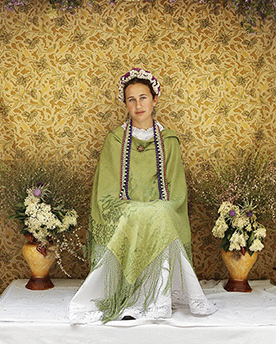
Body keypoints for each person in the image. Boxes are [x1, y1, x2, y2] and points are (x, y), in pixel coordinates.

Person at [69, 68, 216, 323]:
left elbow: (176, 190)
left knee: (159, 213)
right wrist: (132, 206)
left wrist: (159, 206)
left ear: (155, 99)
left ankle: (158, 299)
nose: (138, 105)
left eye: (143, 97)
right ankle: (128, 294)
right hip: (124, 208)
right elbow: (106, 188)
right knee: (139, 215)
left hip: (160, 209)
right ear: (125, 104)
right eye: (131, 99)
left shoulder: (168, 139)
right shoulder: (115, 139)